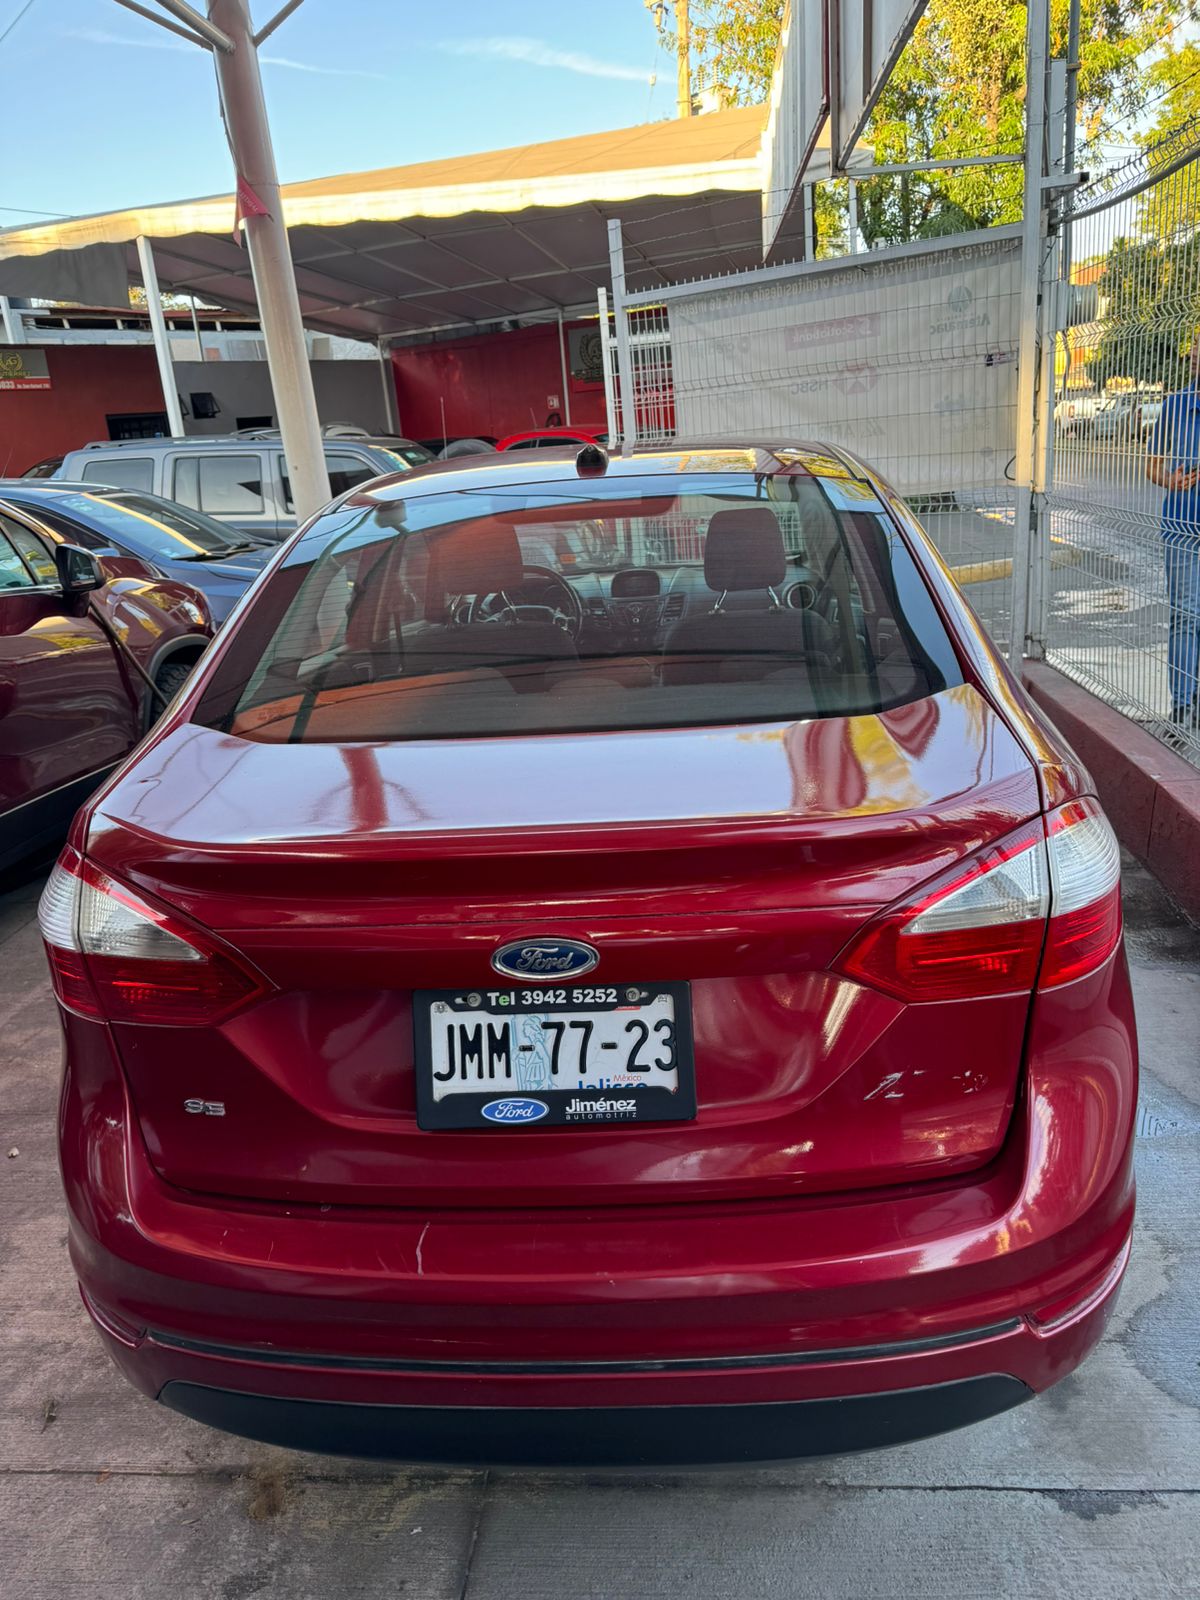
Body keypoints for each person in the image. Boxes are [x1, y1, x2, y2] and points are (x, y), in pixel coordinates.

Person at [1146, 345, 1200, 735]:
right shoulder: (1176, 405)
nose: (1194, 356)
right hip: (1182, 527)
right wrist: (1171, 481)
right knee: (1184, 615)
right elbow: (1151, 465)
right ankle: (1182, 709)